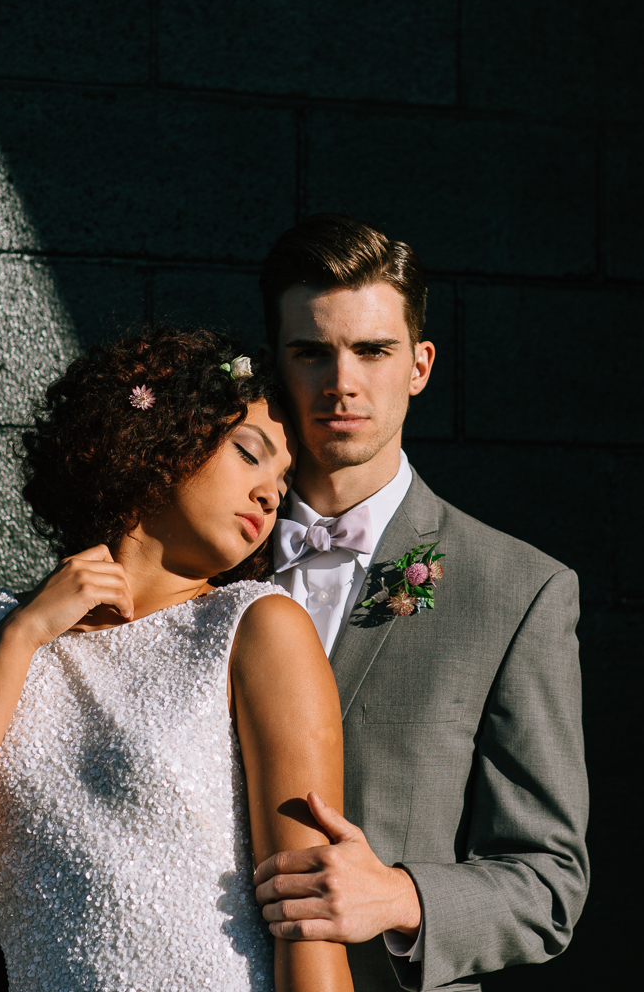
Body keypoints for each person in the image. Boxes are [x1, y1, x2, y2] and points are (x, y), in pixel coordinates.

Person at [0, 329, 353, 992]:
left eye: (283, 482)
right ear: (162, 440)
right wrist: (23, 633)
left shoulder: (257, 628)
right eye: (249, 454)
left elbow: (307, 913)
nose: (270, 495)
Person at [252, 215, 589, 991]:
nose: (342, 381)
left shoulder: (520, 589)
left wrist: (402, 897)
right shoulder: (203, 561)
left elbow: (550, 883)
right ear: (276, 364)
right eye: (312, 352)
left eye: (373, 350)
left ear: (419, 364)